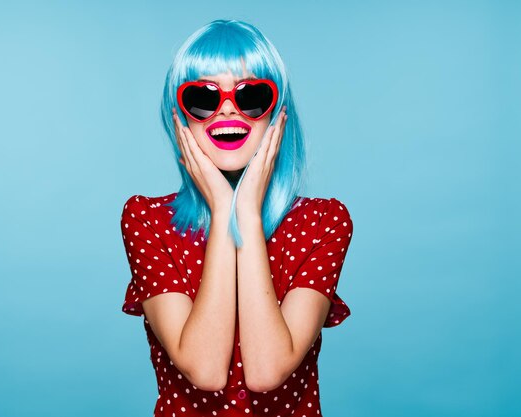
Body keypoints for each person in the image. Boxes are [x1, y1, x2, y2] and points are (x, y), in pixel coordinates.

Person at [121, 19, 353, 417]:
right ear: (179, 118)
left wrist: (245, 211)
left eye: (250, 96)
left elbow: (266, 370)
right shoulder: (146, 220)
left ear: (277, 116)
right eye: (203, 98)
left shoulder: (324, 223)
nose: (228, 110)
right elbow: (205, 369)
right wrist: (222, 205)